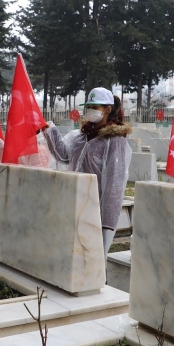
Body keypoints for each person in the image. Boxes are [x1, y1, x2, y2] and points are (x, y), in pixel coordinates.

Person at [42, 87, 132, 262]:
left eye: (94, 106)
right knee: (73, 255)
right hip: (74, 203)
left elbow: (115, 183)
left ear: (107, 109)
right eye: (88, 106)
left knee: (92, 258)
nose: (89, 110)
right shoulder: (80, 136)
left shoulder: (114, 141)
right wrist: (49, 130)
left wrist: (107, 225)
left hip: (95, 209)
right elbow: (64, 156)